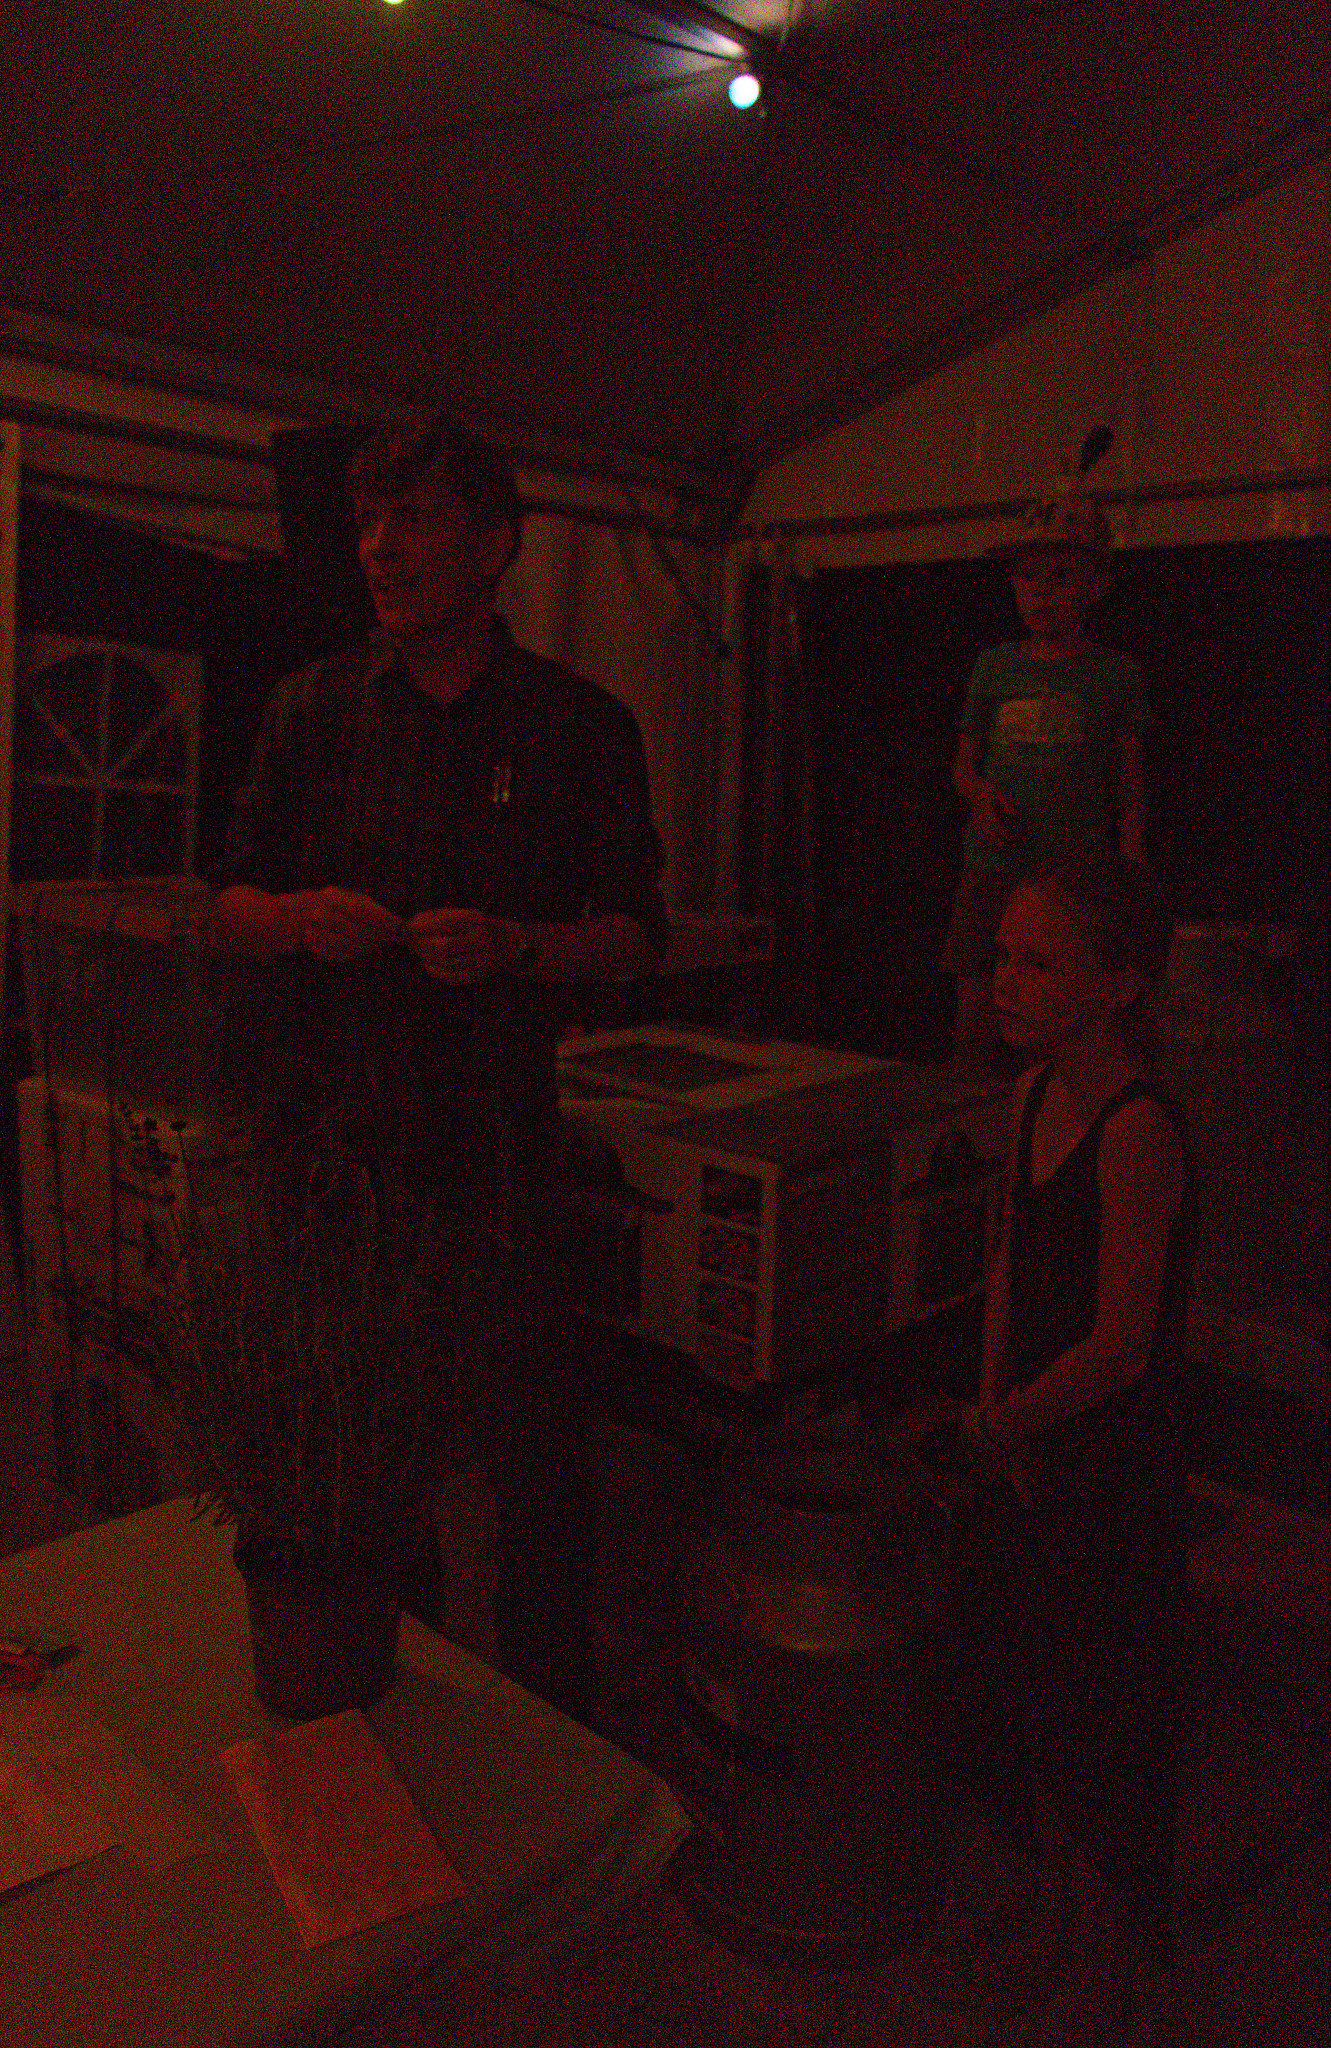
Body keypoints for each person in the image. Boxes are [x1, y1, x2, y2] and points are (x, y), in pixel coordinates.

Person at [209, 415, 669, 1718]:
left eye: (409, 518)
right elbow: (225, 903)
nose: (377, 547)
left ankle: (551, 1722)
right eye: (366, 521)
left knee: (535, 1465)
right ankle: (392, 1700)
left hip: (495, 1153)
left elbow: (636, 935)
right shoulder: (310, 707)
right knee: (361, 1455)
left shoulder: (579, 725)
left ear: (492, 544)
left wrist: (521, 944)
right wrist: (296, 918)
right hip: (330, 1155)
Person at [945, 851, 1195, 2035]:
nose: (1003, 981)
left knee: (1104, 1719)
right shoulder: (1031, 1092)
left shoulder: (1137, 1126)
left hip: (1107, 1467)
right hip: (1029, 1443)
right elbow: (1008, 1256)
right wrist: (989, 1393)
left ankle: (1104, 1960)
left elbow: (1120, 1344)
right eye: (1001, 954)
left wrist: (1005, 1418)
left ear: (1117, 982)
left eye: (1037, 962)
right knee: (1037, 1695)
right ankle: (1051, 1916)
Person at [943, 486, 1150, 1074]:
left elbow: (1131, 788)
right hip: (993, 865)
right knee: (977, 1001)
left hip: (1069, 874)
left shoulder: (1114, 674)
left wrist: (1130, 877)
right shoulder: (995, 665)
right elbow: (963, 767)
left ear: (1095, 586)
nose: (1040, 593)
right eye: (1027, 577)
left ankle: (1047, 1111)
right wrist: (979, 794)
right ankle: (972, 1112)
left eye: (1059, 577)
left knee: (1056, 1010)